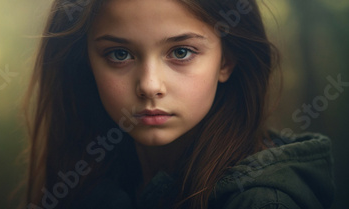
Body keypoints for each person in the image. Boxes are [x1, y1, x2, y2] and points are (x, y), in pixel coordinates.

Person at [20, 0, 335, 208]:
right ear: (85, 62)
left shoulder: (261, 201)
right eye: (119, 54)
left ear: (226, 60)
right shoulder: (91, 181)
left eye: (181, 52)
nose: (149, 86)